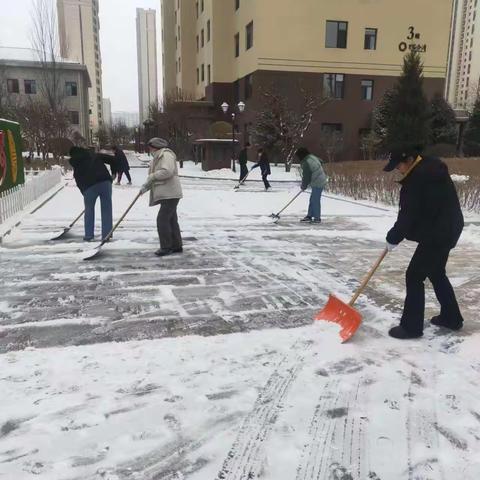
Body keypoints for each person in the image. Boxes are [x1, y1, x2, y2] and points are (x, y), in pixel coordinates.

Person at [383, 146, 464, 339]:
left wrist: (393, 237)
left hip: (437, 233)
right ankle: (451, 317)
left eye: (399, 165)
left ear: (410, 159)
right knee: (436, 272)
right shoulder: (431, 168)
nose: (398, 169)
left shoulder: (417, 179)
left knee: (414, 276)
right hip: (449, 228)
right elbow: (425, 209)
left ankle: (411, 327)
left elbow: (408, 214)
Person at [140, 137, 183, 257]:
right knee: (171, 220)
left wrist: (152, 177)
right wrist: (145, 187)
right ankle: (176, 245)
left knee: (162, 220)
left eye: (150, 146)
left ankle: (166, 247)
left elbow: (167, 171)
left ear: (155, 147)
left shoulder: (166, 155)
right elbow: (153, 178)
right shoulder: (156, 158)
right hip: (167, 193)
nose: (149, 149)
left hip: (171, 193)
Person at [69, 146, 114, 241]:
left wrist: (84, 192)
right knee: (107, 209)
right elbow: (112, 160)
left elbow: (78, 181)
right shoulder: (93, 155)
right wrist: (113, 173)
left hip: (89, 187)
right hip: (105, 182)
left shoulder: (76, 164)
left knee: (89, 210)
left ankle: (89, 236)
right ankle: (107, 235)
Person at [295, 147, 328, 223]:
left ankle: (317, 218)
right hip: (320, 179)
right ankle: (309, 216)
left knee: (315, 200)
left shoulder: (306, 162)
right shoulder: (311, 157)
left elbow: (306, 176)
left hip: (318, 181)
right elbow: (321, 161)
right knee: (312, 199)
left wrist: (303, 186)